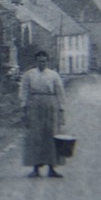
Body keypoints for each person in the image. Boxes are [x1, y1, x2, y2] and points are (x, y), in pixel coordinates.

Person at [18, 50, 67, 178]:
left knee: (51, 136)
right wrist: (24, 107)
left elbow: (60, 92)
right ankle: (36, 169)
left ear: (47, 61)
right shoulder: (29, 75)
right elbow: (24, 91)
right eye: (39, 61)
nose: (42, 63)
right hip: (34, 105)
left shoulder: (53, 75)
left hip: (50, 105)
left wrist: (61, 109)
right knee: (35, 136)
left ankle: (52, 168)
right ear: (36, 61)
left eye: (44, 61)